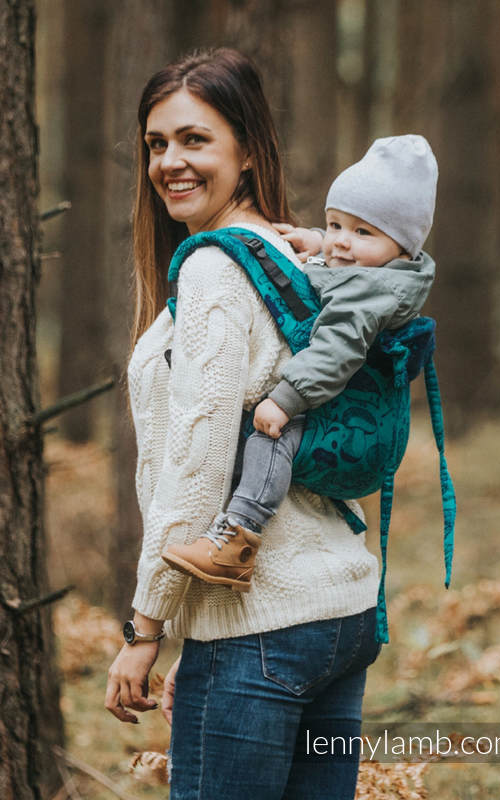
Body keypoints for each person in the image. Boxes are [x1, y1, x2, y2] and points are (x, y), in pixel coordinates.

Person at [105, 47, 381, 800]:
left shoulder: (213, 271)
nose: (169, 161)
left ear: (249, 152)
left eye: (195, 140)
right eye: (156, 144)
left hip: (256, 622)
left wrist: (145, 632)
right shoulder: (297, 253)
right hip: (340, 614)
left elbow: (193, 469)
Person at [162, 134, 437, 593]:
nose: (342, 244)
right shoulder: (379, 272)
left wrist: (286, 400)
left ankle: (238, 540)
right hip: (346, 408)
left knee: (272, 435)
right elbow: (345, 259)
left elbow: (336, 350)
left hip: (337, 411)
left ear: (403, 248)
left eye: (363, 233)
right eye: (335, 225)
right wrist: (317, 241)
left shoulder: (363, 295)